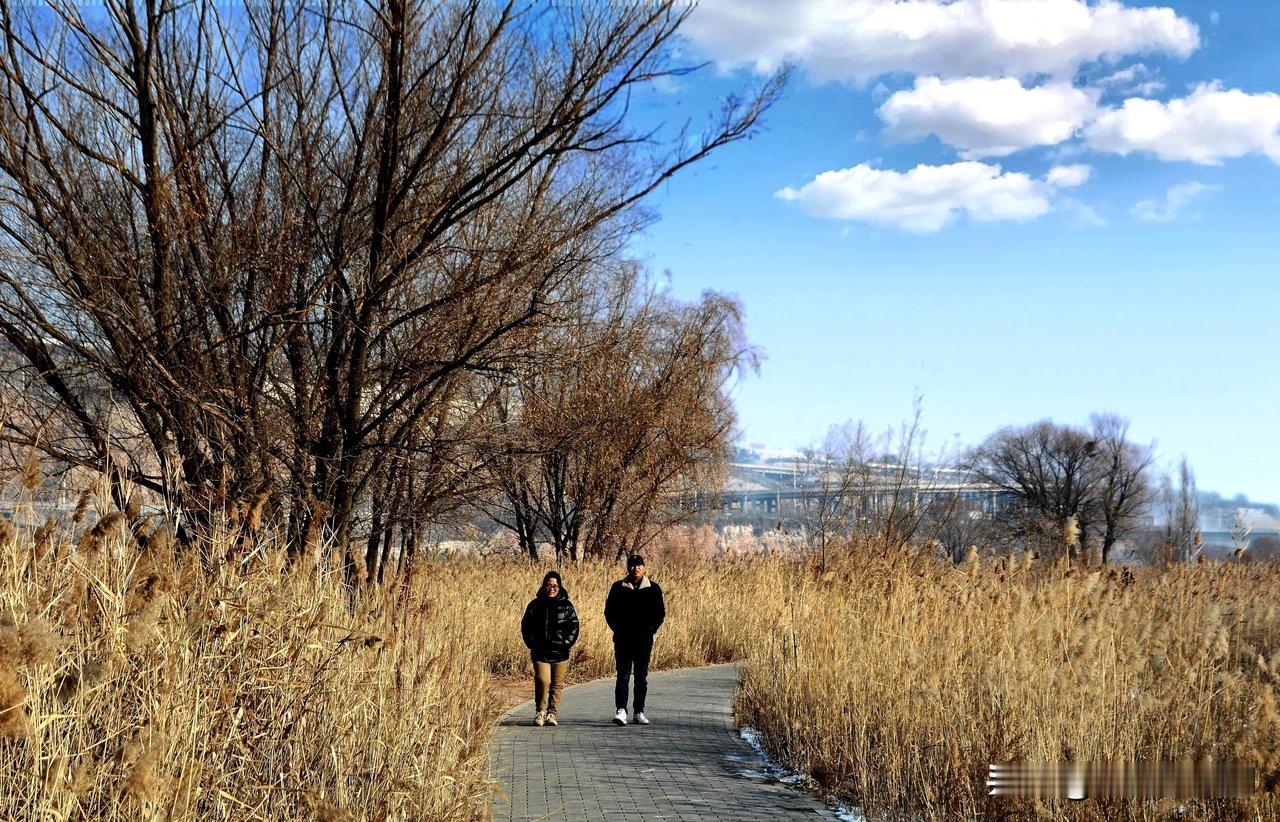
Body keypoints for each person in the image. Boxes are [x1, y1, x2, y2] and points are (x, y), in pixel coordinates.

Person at [604, 554, 665, 725]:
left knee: (641, 677)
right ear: (628, 568)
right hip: (623, 640)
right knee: (622, 676)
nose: (636, 568)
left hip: (643, 640)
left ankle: (639, 711)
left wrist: (650, 630)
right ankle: (621, 710)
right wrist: (618, 628)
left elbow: (660, 613)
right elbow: (609, 612)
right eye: (632, 565)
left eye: (639, 565)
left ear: (644, 568)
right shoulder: (618, 587)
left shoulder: (653, 589)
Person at [520, 571, 579, 727]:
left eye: (555, 586)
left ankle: (552, 713)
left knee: (557, 684)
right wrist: (532, 643)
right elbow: (526, 626)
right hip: (541, 652)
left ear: (559, 587)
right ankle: (540, 711)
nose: (551, 588)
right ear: (544, 586)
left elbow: (574, 626)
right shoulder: (535, 605)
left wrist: (566, 642)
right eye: (548, 585)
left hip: (560, 651)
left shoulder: (567, 605)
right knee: (543, 680)